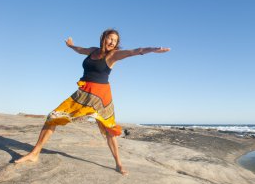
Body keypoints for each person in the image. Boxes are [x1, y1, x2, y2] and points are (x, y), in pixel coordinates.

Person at [15, 29, 170, 175]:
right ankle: (35, 153)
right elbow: (80, 50)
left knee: (109, 131)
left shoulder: (114, 55)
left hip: (102, 98)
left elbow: (134, 51)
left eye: (115, 41)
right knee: (53, 117)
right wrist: (70, 45)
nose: (111, 42)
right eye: (110, 38)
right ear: (103, 38)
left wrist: (153, 49)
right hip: (83, 94)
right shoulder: (93, 51)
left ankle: (118, 163)